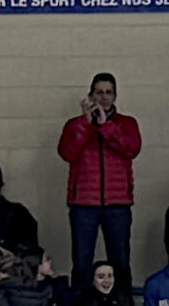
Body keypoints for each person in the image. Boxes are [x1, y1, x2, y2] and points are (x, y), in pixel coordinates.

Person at [60, 71, 142, 285]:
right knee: (81, 263)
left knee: (121, 262)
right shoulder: (74, 125)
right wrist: (86, 125)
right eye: (99, 92)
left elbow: (131, 149)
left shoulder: (127, 123)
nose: (104, 97)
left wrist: (106, 126)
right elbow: (68, 153)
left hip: (117, 205)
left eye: (108, 93)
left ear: (115, 96)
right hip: (83, 205)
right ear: (90, 95)